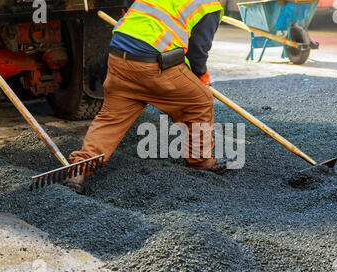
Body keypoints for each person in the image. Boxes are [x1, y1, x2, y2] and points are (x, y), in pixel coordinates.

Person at [65, 0, 233, 193]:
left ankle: (78, 170)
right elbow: (197, 52)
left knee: (111, 119)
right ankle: (201, 161)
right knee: (200, 101)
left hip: (119, 57)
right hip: (153, 62)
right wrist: (201, 78)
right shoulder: (209, 6)